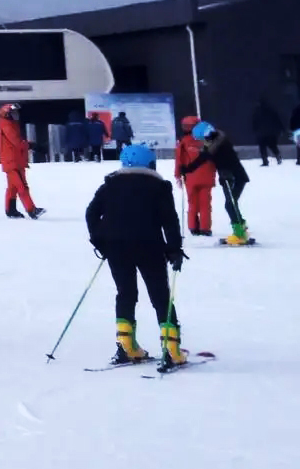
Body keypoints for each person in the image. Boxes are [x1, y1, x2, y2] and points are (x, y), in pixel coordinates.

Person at [86, 143, 186, 367]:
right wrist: (174, 248)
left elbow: (91, 213)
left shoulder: (109, 185)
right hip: (149, 246)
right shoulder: (158, 186)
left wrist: (100, 241)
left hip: (116, 248)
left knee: (125, 293)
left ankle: (126, 346)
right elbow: (169, 221)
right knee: (160, 294)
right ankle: (171, 349)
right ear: (149, 163)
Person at [180, 122, 252, 245]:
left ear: (207, 136)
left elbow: (204, 157)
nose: (202, 142)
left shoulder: (219, 145)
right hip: (230, 177)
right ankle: (241, 231)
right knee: (231, 204)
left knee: (230, 205)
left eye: (203, 139)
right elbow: (204, 156)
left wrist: (188, 169)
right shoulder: (217, 141)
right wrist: (187, 169)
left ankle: (240, 234)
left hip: (233, 178)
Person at [0, 104, 43, 220]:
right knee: (22, 186)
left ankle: (10, 210)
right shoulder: (7, 127)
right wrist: (30, 144)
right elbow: (17, 142)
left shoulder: (11, 125)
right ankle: (32, 210)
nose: (16, 115)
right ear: (7, 115)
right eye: (13, 113)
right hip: (13, 162)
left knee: (13, 188)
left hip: (14, 161)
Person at [174, 115, 218, 237]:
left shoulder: (183, 142)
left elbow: (179, 160)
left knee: (192, 203)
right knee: (205, 204)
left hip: (190, 178)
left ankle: (193, 226)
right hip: (207, 176)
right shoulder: (208, 141)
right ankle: (205, 228)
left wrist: (177, 175)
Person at [250, 97, 283, 166]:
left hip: (261, 133)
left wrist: (254, 130)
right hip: (271, 132)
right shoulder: (271, 110)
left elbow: (255, 122)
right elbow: (277, 120)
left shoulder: (257, 112)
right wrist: (280, 129)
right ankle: (278, 156)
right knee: (273, 145)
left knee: (262, 147)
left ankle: (265, 161)